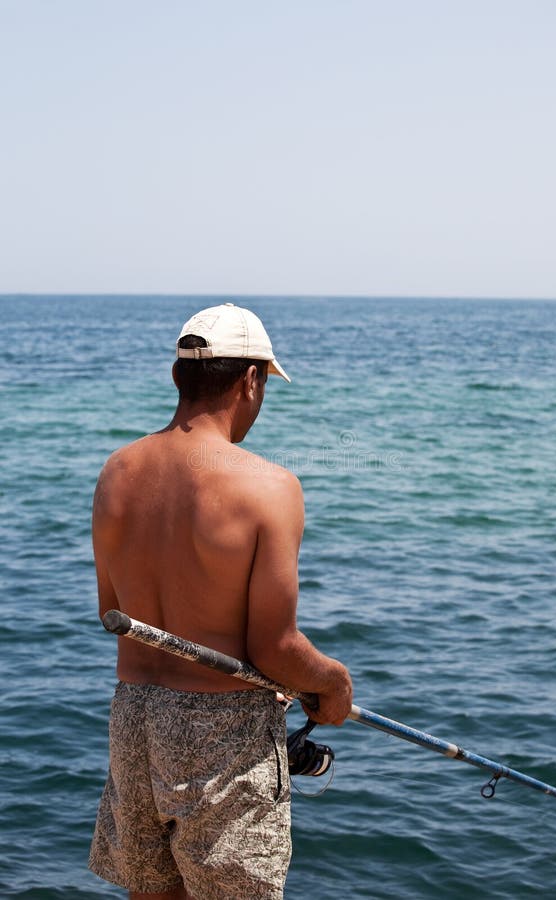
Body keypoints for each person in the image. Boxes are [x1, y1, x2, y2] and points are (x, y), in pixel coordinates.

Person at [89, 303, 353, 900]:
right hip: (221, 732)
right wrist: (332, 681)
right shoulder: (269, 487)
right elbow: (275, 647)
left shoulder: (116, 472)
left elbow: (113, 612)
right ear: (251, 380)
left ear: (178, 376)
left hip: (133, 719)